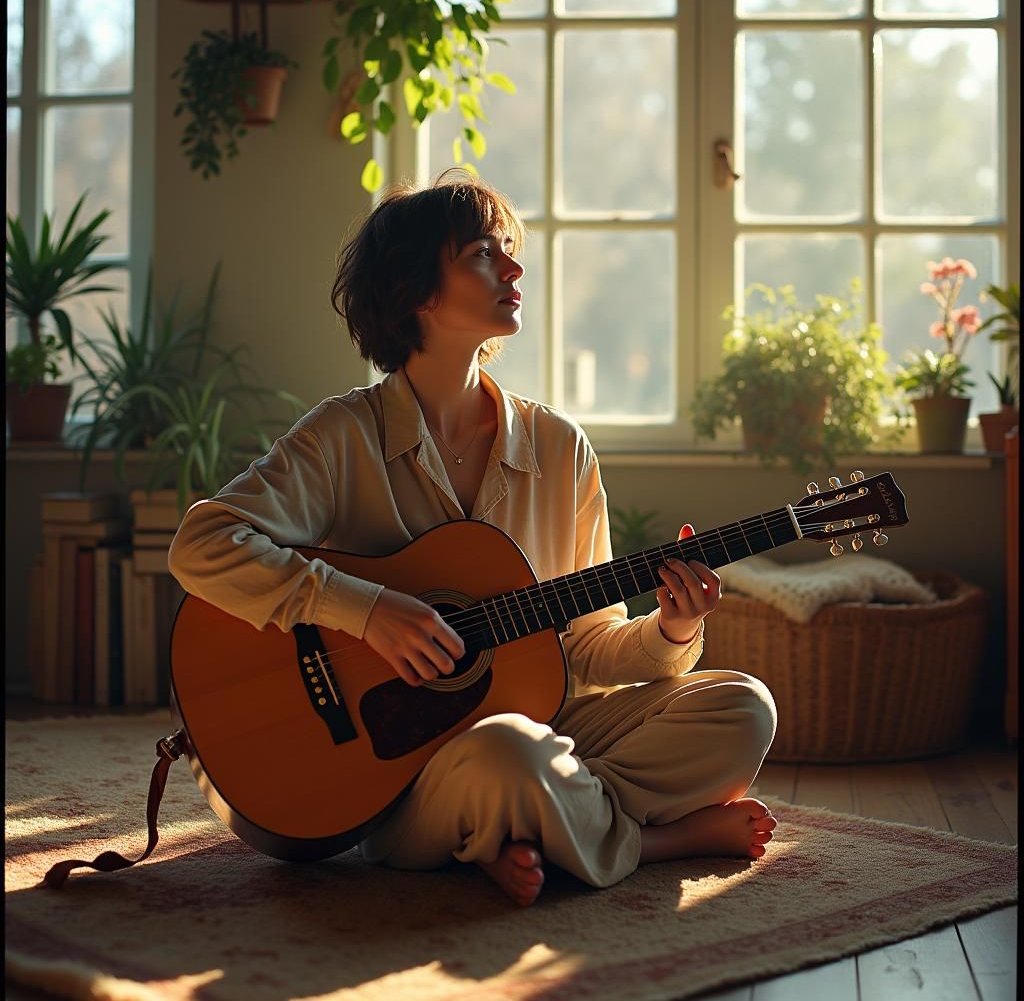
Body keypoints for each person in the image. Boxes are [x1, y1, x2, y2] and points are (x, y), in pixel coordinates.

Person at [167, 170, 778, 907]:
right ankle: (650, 840)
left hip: (550, 734)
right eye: (485, 254)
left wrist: (673, 629)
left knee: (743, 707)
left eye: (509, 252)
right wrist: (362, 610)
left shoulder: (560, 448)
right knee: (506, 752)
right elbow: (202, 543)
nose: (515, 269)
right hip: (414, 776)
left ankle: (516, 832)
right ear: (417, 288)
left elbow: (585, 644)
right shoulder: (343, 436)